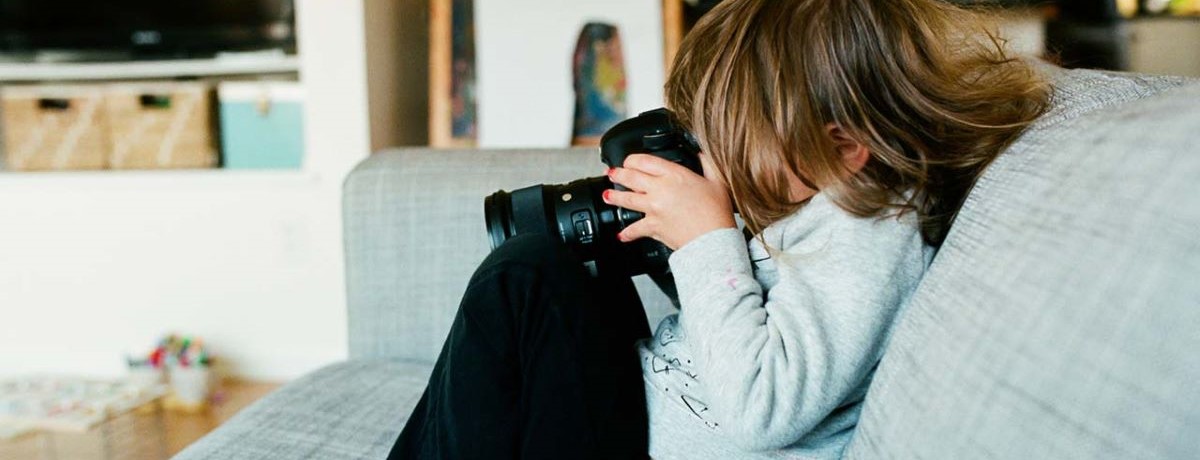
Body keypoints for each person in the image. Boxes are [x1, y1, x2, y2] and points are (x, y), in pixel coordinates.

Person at [389, 0, 1051, 458]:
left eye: (734, 141)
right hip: (639, 417)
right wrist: (677, 249)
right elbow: (744, 323)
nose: (716, 160)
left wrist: (708, 241)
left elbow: (761, 409)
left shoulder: (869, 235)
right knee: (561, 268)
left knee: (520, 280)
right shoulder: (823, 204)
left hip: (648, 446)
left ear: (846, 146)